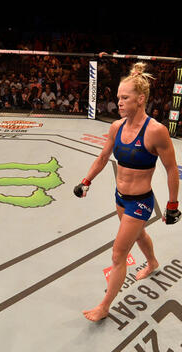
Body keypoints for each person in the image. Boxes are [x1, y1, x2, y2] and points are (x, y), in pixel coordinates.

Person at [74, 62, 181, 322]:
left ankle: (104, 306)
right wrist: (86, 180)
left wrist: (172, 204)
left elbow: (170, 170)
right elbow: (102, 158)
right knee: (139, 234)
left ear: (140, 99)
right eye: (118, 97)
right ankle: (153, 262)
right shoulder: (117, 127)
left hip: (140, 203)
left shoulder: (156, 131)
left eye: (125, 97)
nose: (119, 102)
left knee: (118, 254)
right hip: (120, 198)